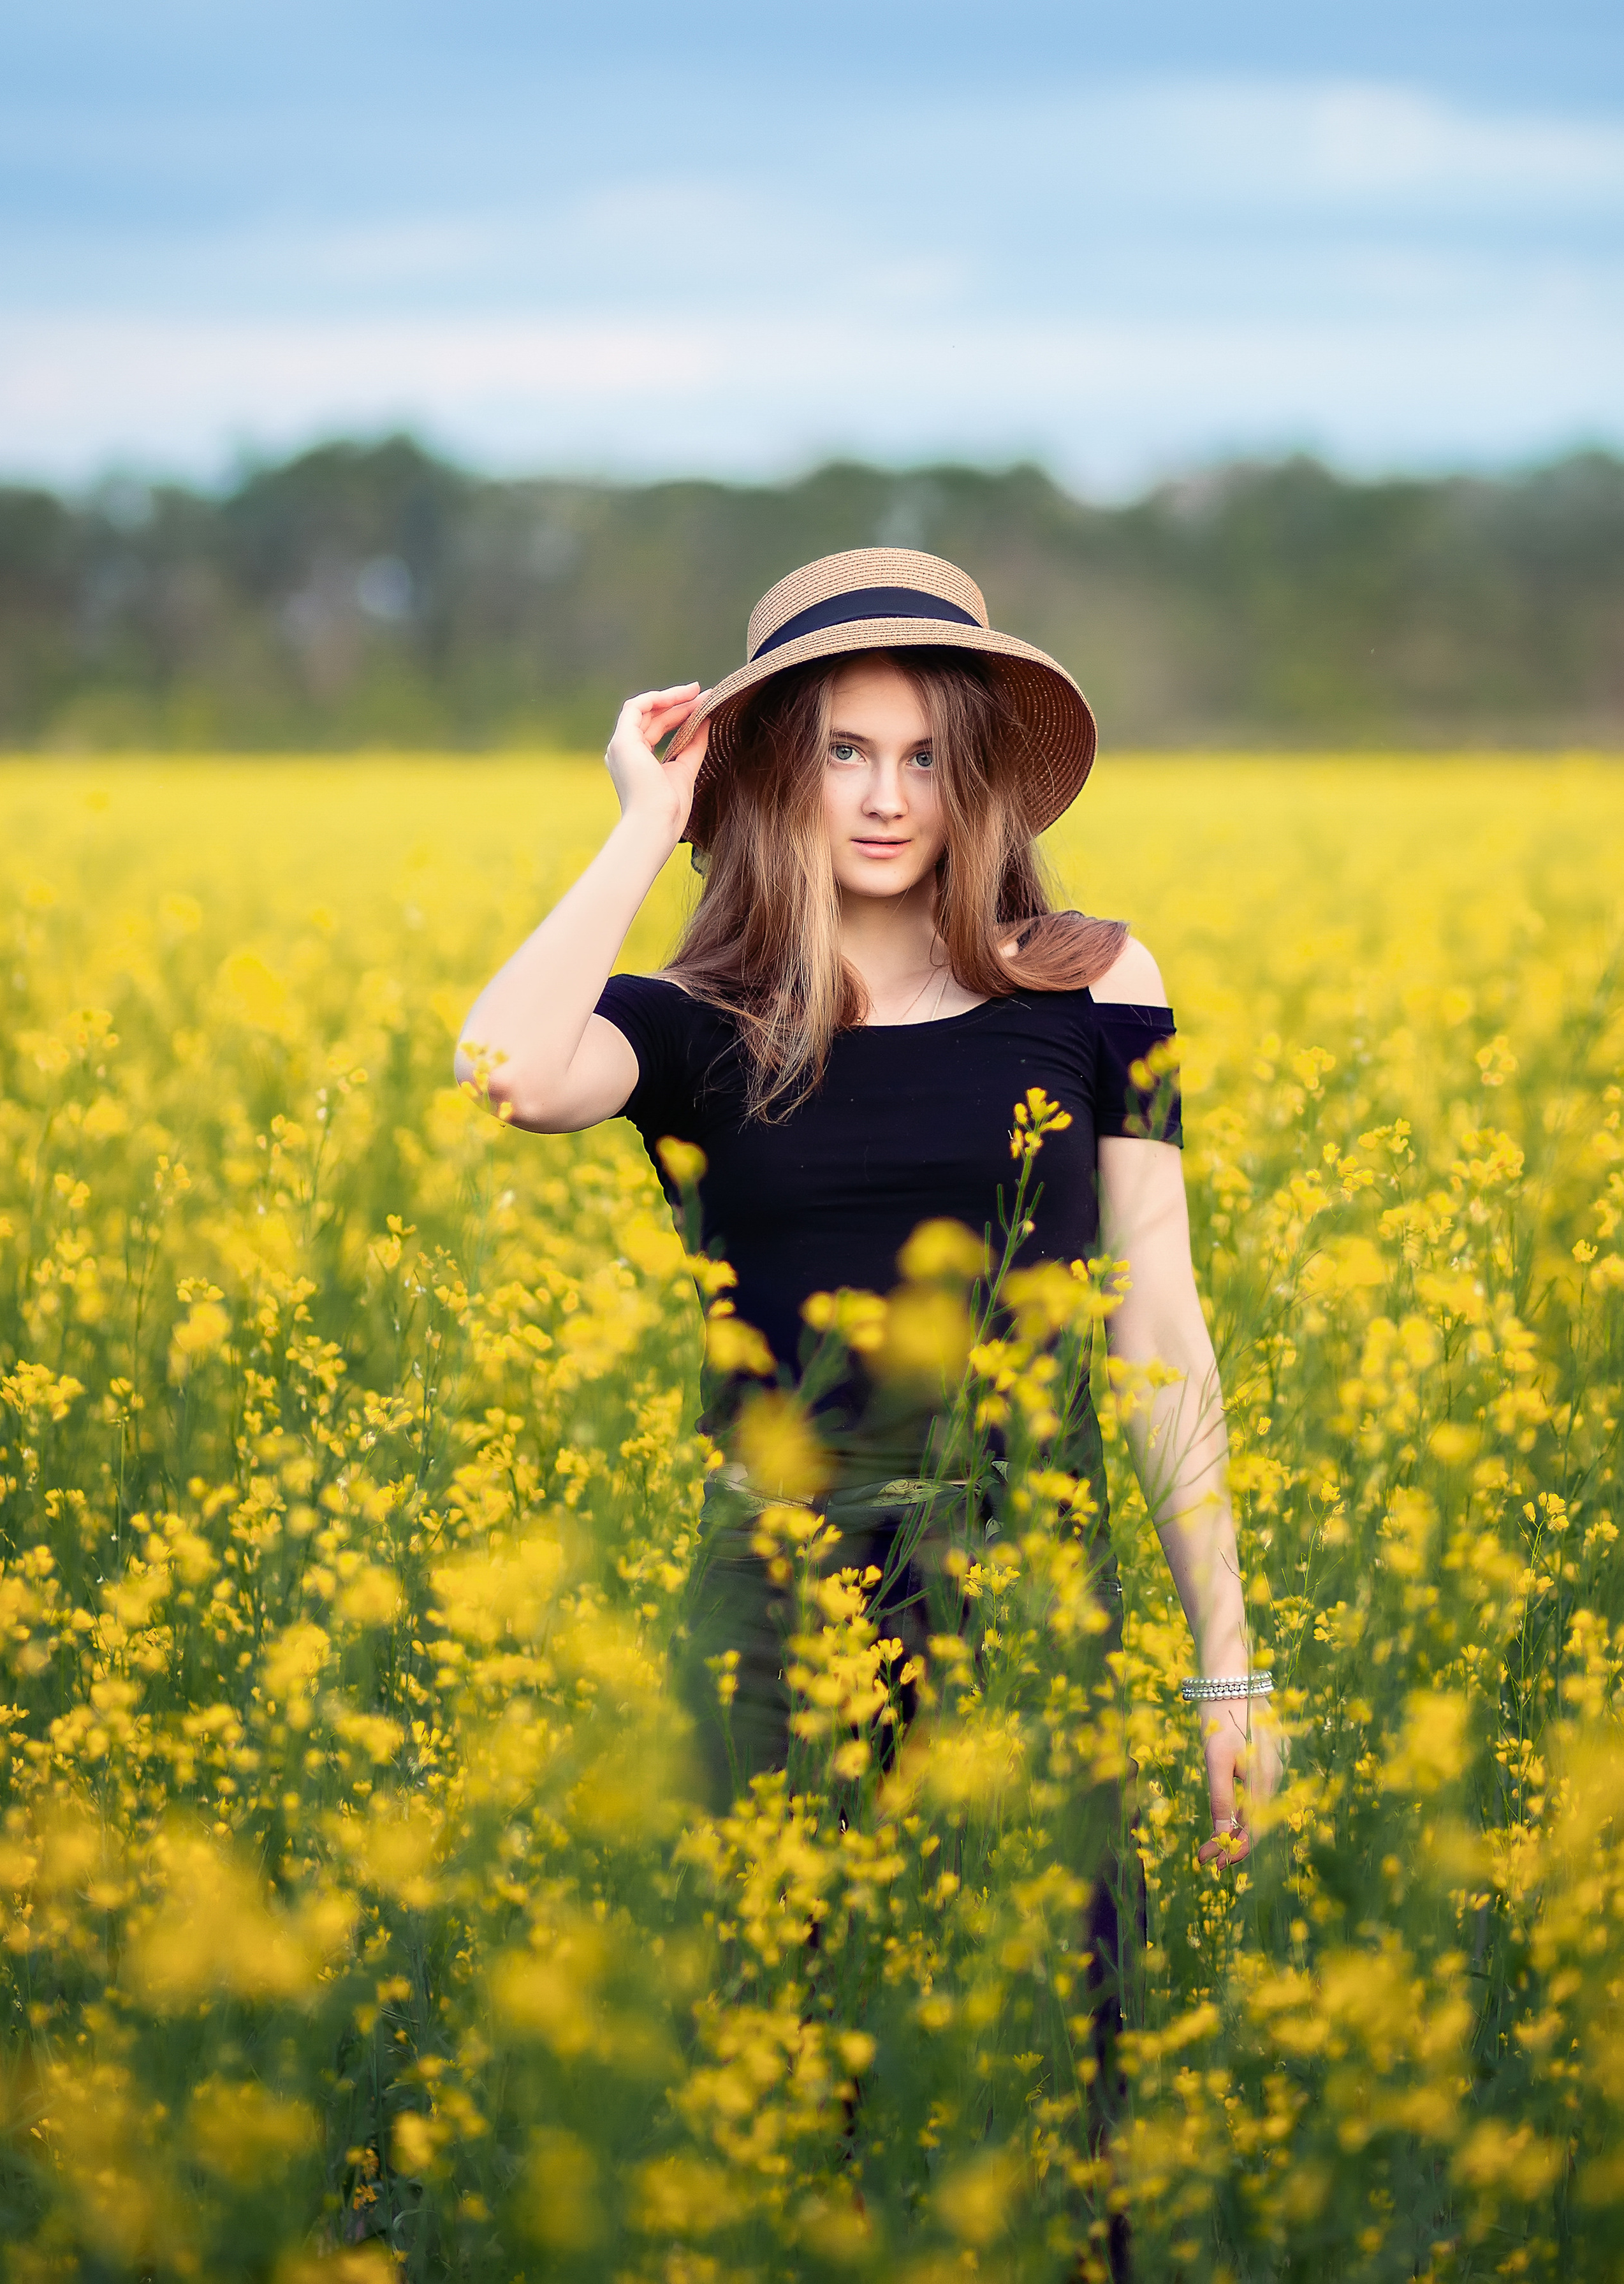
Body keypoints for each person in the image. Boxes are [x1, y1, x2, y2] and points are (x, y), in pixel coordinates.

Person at [456, 541, 1280, 1890]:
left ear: (978, 778)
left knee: (1046, 2062)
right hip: (773, 1611)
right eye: (843, 753)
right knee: (778, 2066)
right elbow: (507, 1071)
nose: (888, 800)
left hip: (1027, 1597)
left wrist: (1225, 1668)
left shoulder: (1096, 986)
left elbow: (1159, 1324)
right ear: (778, 769)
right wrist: (643, 824)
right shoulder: (695, 1024)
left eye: (924, 756)